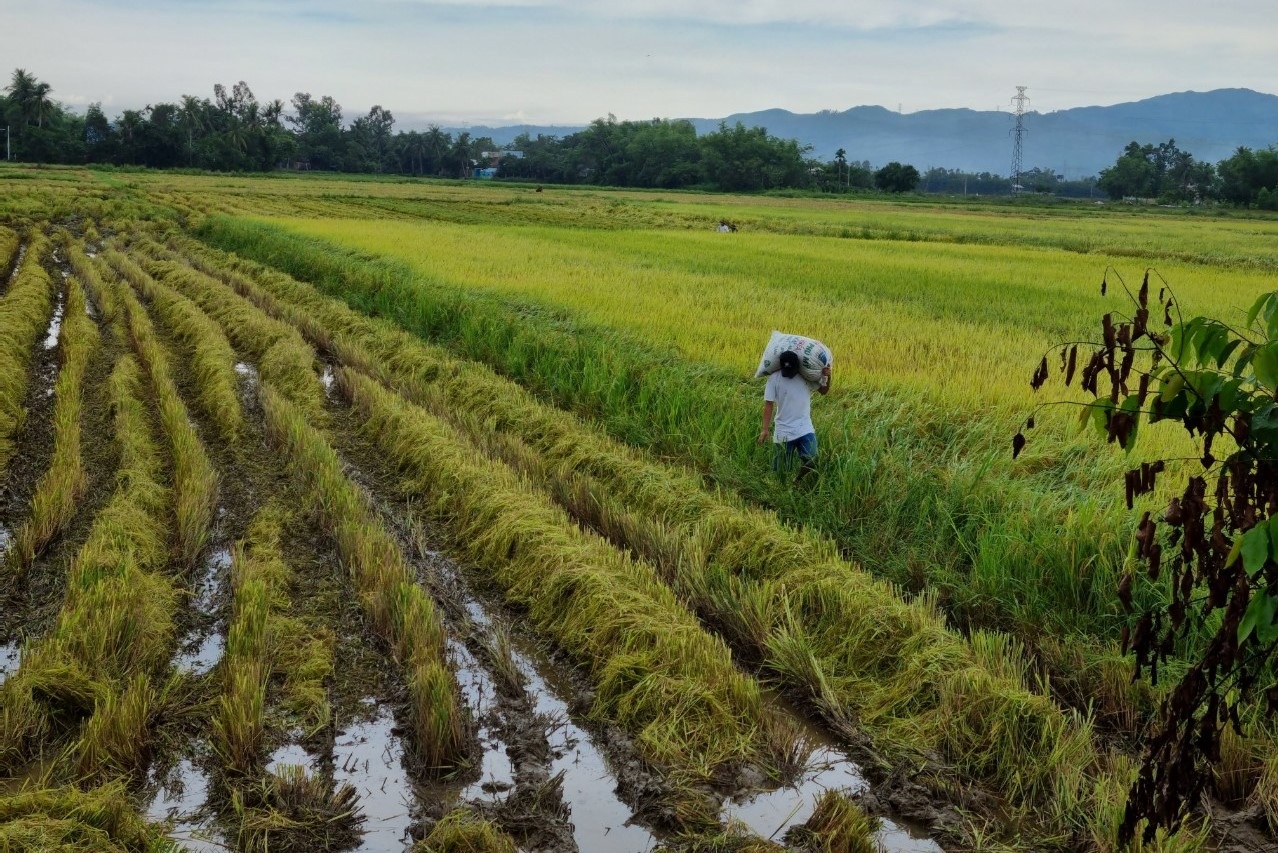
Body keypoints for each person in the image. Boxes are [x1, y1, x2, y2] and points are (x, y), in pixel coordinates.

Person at [758, 350, 831, 484]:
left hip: (805, 427)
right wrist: (765, 429)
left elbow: (824, 391)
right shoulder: (774, 378)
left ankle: (797, 481)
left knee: (812, 459)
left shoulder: (806, 376)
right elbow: (768, 405)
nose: (789, 374)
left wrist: (828, 376)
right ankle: (782, 490)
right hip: (783, 431)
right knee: (780, 473)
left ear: (797, 366)